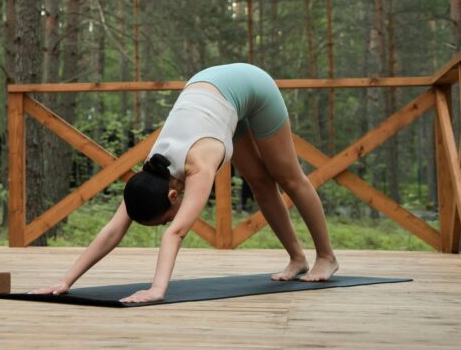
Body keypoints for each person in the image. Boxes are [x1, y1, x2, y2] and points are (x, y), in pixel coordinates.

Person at [33, 63, 338, 303]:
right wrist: (66, 281)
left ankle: (326, 257)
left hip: (250, 86)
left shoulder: (198, 167)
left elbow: (175, 233)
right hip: (211, 97)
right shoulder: (149, 176)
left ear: (173, 194)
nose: (170, 221)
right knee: (258, 181)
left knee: (287, 176)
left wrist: (156, 289)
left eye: (167, 215)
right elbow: (112, 230)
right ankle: (297, 259)